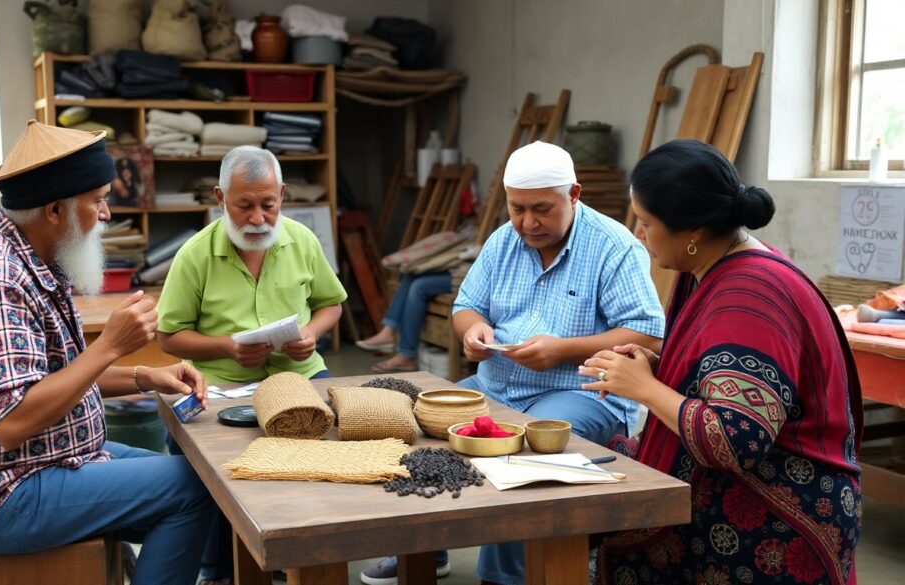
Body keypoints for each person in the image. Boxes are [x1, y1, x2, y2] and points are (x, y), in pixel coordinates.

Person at [0, 120, 214, 585]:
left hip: (43, 462)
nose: (107, 213)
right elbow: (13, 422)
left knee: (205, 476)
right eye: (97, 200)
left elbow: (56, 378)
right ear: (55, 210)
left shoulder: (33, 263)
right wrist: (111, 345)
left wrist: (143, 376)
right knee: (194, 490)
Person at [360, 141, 665, 585]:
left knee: (521, 451)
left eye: (541, 209)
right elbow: (466, 306)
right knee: (413, 420)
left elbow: (647, 334)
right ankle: (422, 550)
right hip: (497, 384)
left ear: (574, 194)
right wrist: (473, 331)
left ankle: (504, 578)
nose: (528, 222)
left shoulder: (614, 247)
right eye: (517, 208)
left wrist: (562, 349)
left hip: (579, 392)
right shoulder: (505, 240)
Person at [581, 140, 862, 584]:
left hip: (780, 506)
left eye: (646, 223)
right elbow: (717, 370)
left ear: (692, 232)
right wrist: (657, 365)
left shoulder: (749, 294)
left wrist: (645, 389)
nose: (638, 234)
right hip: (763, 487)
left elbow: (736, 440)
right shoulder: (722, 265)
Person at [156, 145, 347, 584]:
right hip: (221, 382)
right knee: (197, 459)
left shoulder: (300, 240)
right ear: (220, 199)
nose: (258, 219)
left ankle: (299, 555)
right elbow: (169, 337)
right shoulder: (195, 254)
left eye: (268, 205)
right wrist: (226, 347)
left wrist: (313, 334)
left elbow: (331, 305)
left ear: (282, 195)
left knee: (334, 440)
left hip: (298, 374)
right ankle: (219, 567)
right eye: (244, 207)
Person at [356, 271, 452, 373]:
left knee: (418, 287)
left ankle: (407, 355)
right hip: (455, 269)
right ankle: (388, 331)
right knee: (411, 275)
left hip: (463, 274)